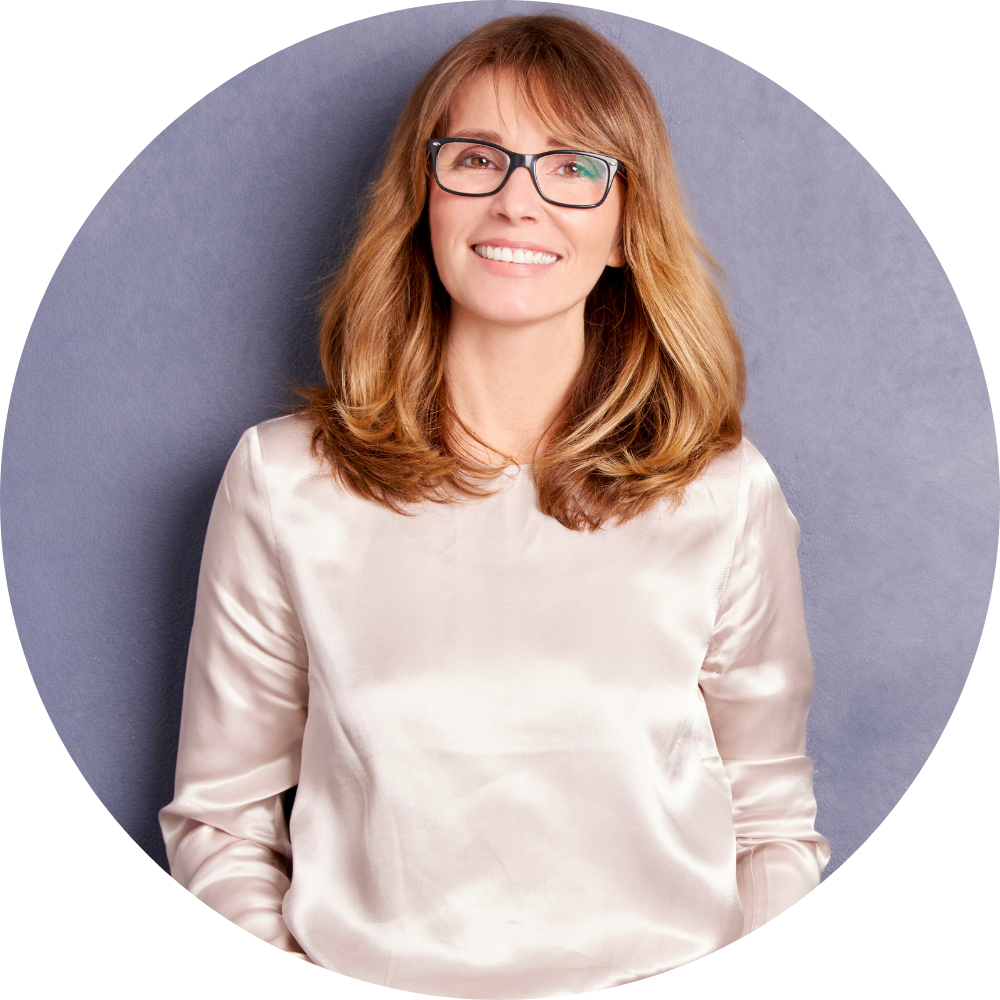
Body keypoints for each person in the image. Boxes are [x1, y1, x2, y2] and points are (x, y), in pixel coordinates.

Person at [159, 14, 831, 1000]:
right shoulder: (283, 482)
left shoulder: (723, 495)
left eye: (571, 167)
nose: (518, 202)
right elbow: (217, 826)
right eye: (478, 158)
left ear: (622, 224)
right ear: (423, 198)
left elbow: (775, 830)